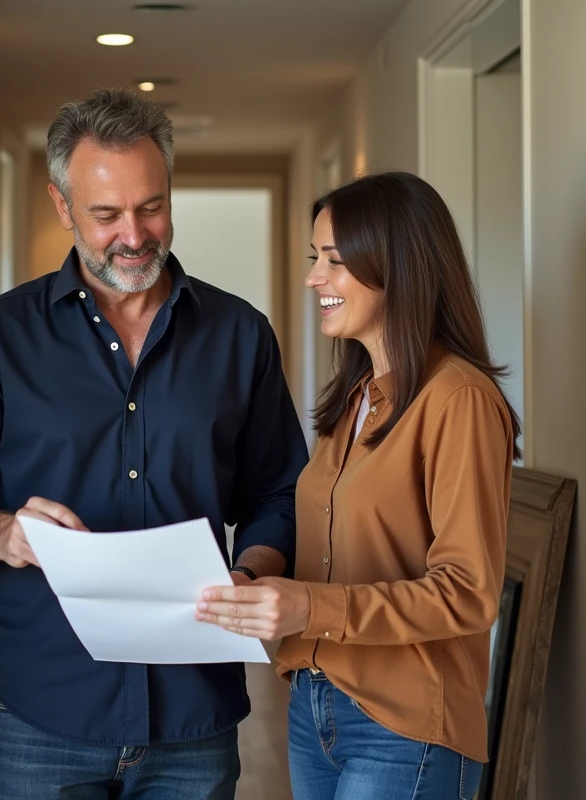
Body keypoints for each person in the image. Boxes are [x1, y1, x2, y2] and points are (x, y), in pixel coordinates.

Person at [0, 87, 309, 800]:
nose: (135, 234)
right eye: (106, 214)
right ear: (63, 205)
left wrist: (252, 571)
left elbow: (278, 492)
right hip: (40, 719)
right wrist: (1, 533)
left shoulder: (242, 335)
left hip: (194, 721)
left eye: (151, 207)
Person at [196, 171, 520, 799]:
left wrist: (308, 607)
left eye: (335, 261)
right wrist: (259, 583)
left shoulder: (460, 401)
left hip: (405, 727)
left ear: (396, 267)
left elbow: (468, 593)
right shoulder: (355, 400)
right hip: (316, 705)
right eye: (316, 258)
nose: (315, 277)